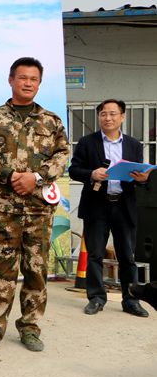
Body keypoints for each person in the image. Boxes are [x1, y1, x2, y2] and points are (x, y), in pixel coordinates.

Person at [0, 57, 70, 353]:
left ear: (39, 83)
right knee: (0, 269)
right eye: (22, 77)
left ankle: (30, 327)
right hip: (3, 209)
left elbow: (62, 156)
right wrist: (11, 176)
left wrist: (36, 178)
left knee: (36, 269)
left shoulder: (51, 121)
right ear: (11, 80)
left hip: (38, 209)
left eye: (33, 79)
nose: (28, 83)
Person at [68, 98, 152, 317]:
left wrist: (143, 179)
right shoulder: (87, 142)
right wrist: (91, 174)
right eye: (103, 114)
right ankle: (96, 298)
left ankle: (131, 300)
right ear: (99, 117)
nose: (108, 118)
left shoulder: (133, 144)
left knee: (127, 256)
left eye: (113, 114)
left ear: (122, 117)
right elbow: (74, 170)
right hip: (97, 205)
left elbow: (140, 176)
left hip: (124, 205)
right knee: (95, 254)